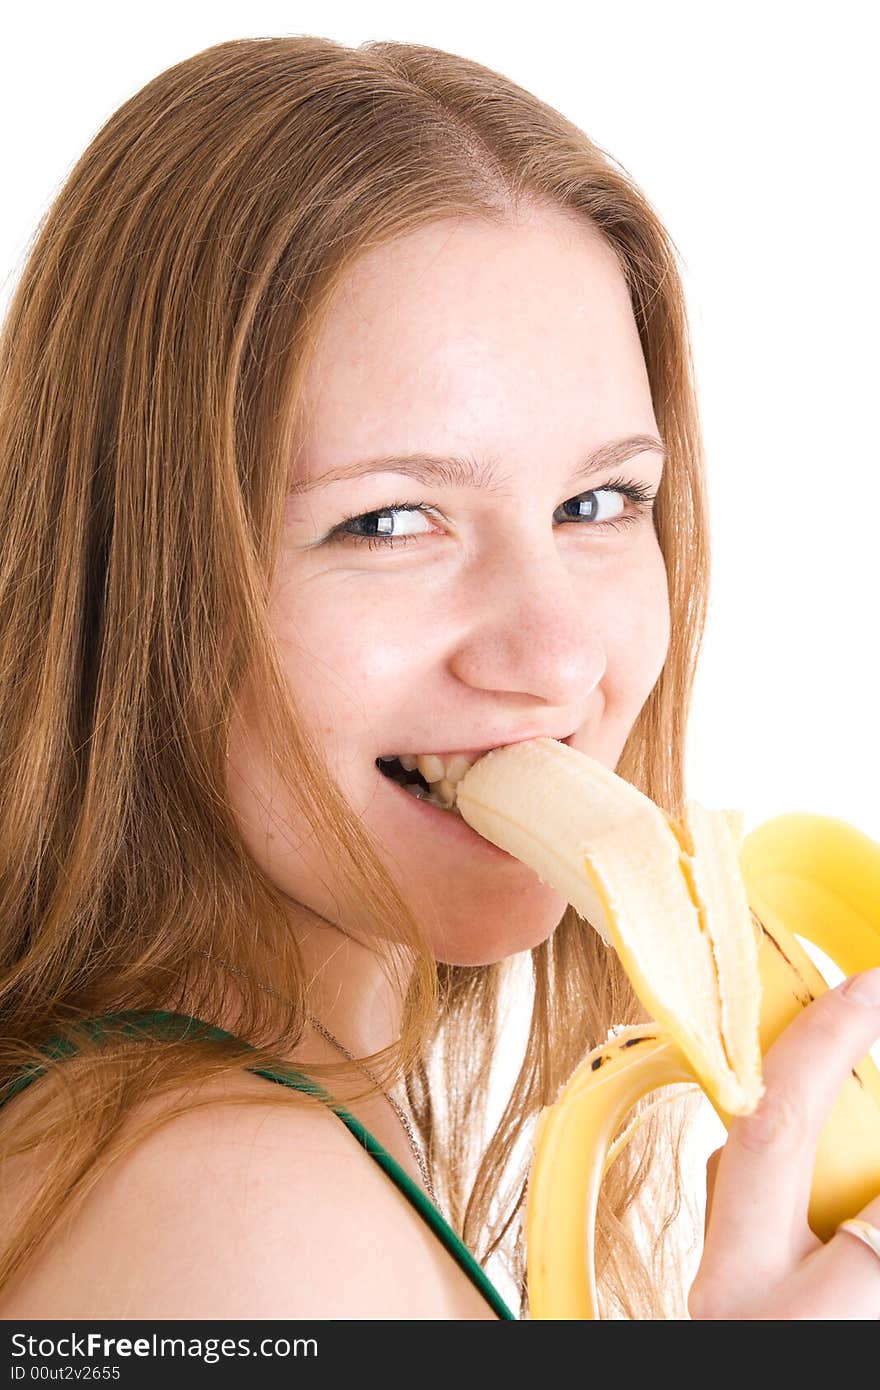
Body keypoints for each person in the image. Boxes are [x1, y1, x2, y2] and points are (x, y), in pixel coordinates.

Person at [0, 34, 877, 1323]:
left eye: (599, 501)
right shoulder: (247, 1218)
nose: (557, 656)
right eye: (390, 523)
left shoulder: (190, 1137)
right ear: (135, 578)